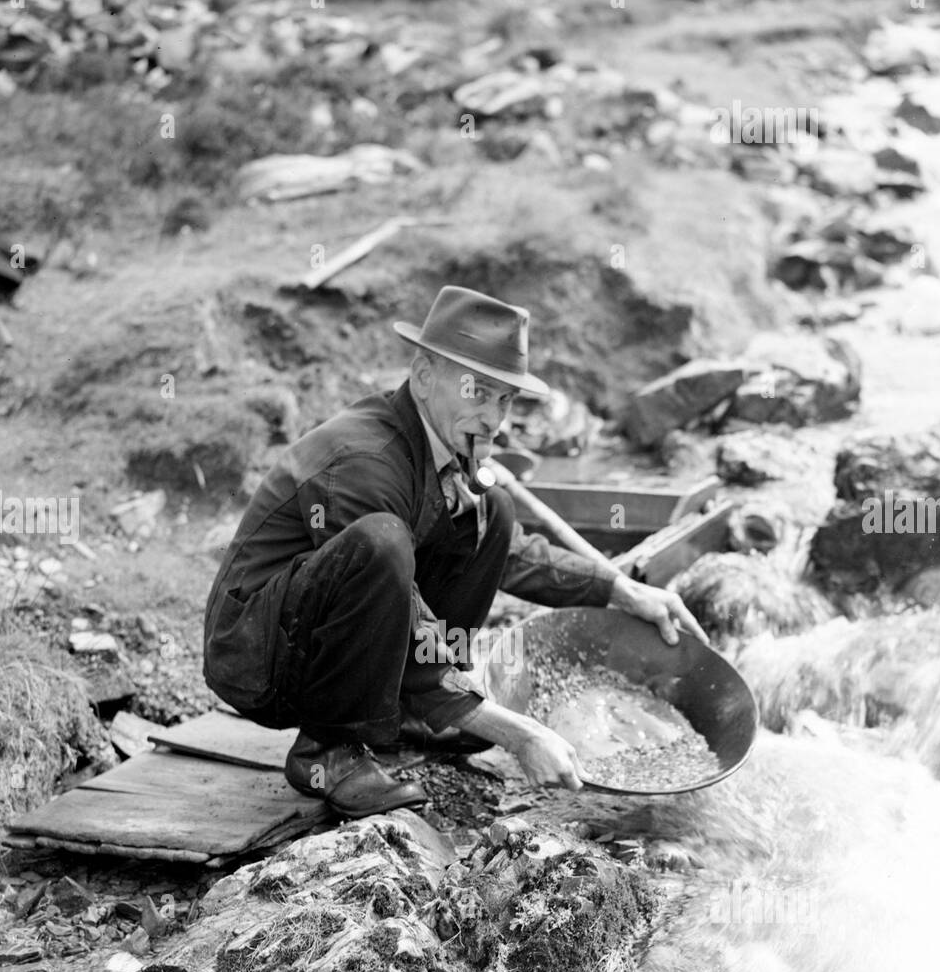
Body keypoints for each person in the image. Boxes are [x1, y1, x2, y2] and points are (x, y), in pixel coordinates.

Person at [203, 285, 706, 818]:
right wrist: (511, 729)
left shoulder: (444, 442)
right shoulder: (364, 460)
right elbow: (401, 604)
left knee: (494, 516)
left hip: (314, 637)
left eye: (505, 400)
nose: (494, 418)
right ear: (423, 376)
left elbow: (511, 553)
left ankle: (411, 711)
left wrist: (617, 589)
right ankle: (325, 749)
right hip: (258, 656)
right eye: (477, 391)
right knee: (383, 543)